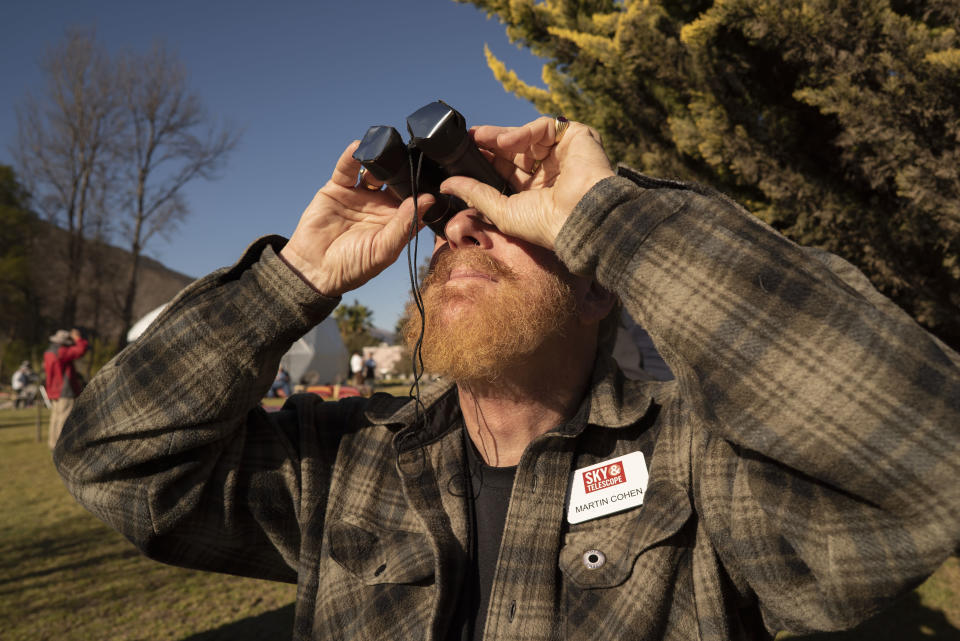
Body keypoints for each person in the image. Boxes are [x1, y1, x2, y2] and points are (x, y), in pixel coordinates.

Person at [54, 116, 959, 641]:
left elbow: (925, 454)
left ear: (599, 282)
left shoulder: (698, 461)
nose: (459, 232)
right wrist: (297, 276)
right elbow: (112, 460)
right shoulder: (345, 461)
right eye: (446, 216)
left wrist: (615, 214)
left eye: (503, 215)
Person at [44, 328, 88, 449]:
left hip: (53, 390)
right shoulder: (61, 352)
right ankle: (61, 446)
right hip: (64, 390)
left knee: (55, 417)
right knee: (64, 418)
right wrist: (78, 339)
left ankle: (53, 443)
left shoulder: (49, 351)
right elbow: (80, 350)